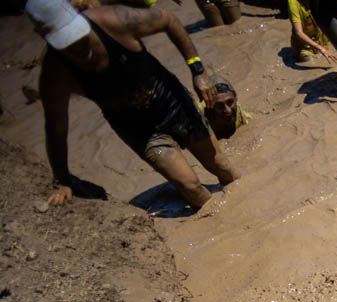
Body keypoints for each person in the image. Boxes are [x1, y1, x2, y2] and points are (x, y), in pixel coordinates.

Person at [28, 0, 238, 211]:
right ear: (43, 36)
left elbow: (169, 19)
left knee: (223, 168)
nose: (77, 47)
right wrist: (62, 179)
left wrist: (198, 71)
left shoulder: (112, 21)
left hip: (172, 102)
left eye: (77, 35)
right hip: (138, 130)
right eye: (66, 44)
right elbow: (56, 127)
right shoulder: (55, 76)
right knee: (190, 186)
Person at [287, 0, 336, 64]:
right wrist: (320, 48)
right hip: (303, 42)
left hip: (319, 35)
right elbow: (299, 32)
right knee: (306, 59)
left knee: (326, 52)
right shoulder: (292, 2)